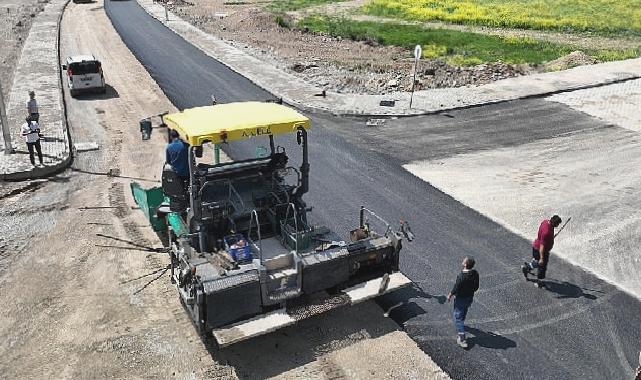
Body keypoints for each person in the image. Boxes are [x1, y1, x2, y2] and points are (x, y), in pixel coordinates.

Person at [447, 256, 480, 349]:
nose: (462, 261)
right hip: (469, 297)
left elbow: (456, 288)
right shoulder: (475, 273)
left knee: (457, 317)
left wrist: (450, 295)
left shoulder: (461, 276)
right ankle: (462, 324)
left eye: (464, 261)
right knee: (464, 311)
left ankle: (462, 338)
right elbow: (476, 287)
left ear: (465, 264)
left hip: (460, 299)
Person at [522, 215, 562, 288]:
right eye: (557, 224)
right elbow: (542, 246)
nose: (558, 226)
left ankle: (527, 267)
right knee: (542, 266)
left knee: (537, 262)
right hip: (541, 250)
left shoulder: (545, 222)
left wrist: (551, 238)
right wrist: (542, 258)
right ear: (554, 223)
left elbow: (543, 236)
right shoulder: (547, 232)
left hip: (536, 246)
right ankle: (539, 282)